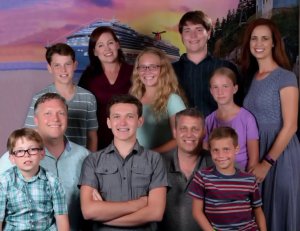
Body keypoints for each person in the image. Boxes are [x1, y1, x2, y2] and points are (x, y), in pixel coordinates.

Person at [241, 18, 300, 231]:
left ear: (274, 42)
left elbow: (291, 125)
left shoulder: (286, 77)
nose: (259, 43)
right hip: (257, 150)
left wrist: (267, 163)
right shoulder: (251, 77)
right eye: (254, 38)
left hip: (280, 154)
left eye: (265, 38)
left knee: (280, 210)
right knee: (260, 212)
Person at [0, 93, 90, 231]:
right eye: (48, 113)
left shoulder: (84, 156)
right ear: (36, 120)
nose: (55, 118)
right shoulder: (11, 159)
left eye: (61, 113)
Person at [79, 94, 168, 231]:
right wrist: (138, 204)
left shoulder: (155, 160)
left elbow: (155, 213)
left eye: (129, 116)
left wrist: (104, 216)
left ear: (140, 121)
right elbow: (88, 211)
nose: (122, 123)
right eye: (116, 117)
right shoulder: (92, 161)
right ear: (108, 122)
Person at [189, 127, 267, 231]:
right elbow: (197, 212)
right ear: (210, 151)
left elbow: (257, 209)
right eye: (215, 150)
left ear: (236, 149)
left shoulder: (249, 179)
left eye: (226, 149)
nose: (221, 155)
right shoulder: (202, 177)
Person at [24, 43, 98, 152]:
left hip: (80, 162)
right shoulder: (39, 98)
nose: (63, 70)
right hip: (47, 160)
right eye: (57, 65)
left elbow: (92, 136)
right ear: (49, 68)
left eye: (67, 64)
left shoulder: (88, 98)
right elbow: (30, 134)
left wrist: (91, 162)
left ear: (75, 65)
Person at [173, 10, 243, 117]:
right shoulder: (170, 71)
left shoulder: (226, 67)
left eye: (199, 29)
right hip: (181, 133)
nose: (193, 35)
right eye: (187, 30)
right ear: (181, 35)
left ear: (209, 33)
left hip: (220, 132)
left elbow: (239, 109)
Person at [0, 128, 69, 231]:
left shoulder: (53, 181)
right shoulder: (4, 182)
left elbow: (62, 220)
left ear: (42, 153)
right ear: (12, 158)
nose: (27, 155)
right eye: (20, 151)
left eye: (32, 149)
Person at [78, 26, 133, 150]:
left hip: (128, 139)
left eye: (110, 43)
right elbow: (81, 110)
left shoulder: (133, 72)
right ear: (95, 51)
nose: (107, 48)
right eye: (100, 45)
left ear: (117, 45)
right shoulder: (88, 76)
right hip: (98, 141)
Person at [158, 108, 213, 231]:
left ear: (204, 133)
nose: (189, 134)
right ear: (175, 132)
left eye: (195, 129)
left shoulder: (216, 165)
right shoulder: (158, 165)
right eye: (183, 129)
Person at [130, 47, 186, 154]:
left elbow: (180, 138)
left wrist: (151, 154)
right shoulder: (133, 98)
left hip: (162, 162)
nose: (147, 71)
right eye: (143, 67)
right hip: (135, 162)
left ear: (163, 70)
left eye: (153, 67)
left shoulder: (173, 100)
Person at [203, 67, 259, 171]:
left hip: (240, 176)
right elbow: (205, 154)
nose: (220, 92)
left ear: (235, 89)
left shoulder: (247, 118)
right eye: (215, 87)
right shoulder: (209, 120)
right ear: (211, 91)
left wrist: (245, 181)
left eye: (225, 86)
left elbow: (253, 160)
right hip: (216, 176)